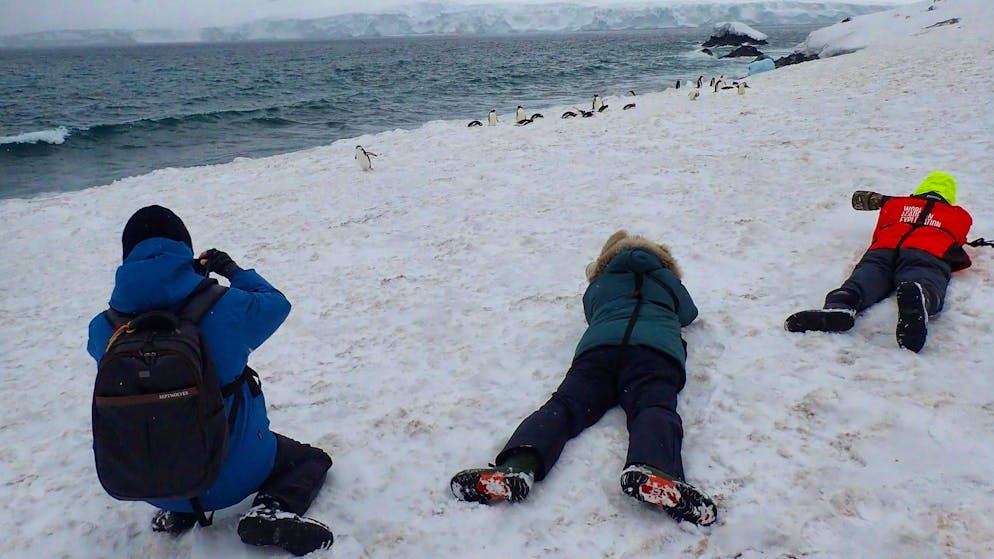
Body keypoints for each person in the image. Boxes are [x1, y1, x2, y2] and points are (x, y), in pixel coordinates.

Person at [87, 205, 334, 556]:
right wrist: (226, 270)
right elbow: (277, 303)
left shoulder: (104, 328)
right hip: (231, 476)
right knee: (311, 459)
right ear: (184, 249)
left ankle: (178, 512)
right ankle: (272, 507)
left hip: (149, 484)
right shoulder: (225, 307)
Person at [450, 230, 717, 526]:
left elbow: (592, 313)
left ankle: (517, 466)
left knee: (564, 406)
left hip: (598, 352)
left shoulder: (600, 284)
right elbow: (688, 314)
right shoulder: (668, 282)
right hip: (653, 354)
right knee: (653, 407)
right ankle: (653, 468)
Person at [784, 171, 973, 352]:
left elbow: (869, 205)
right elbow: (958, 238)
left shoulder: (896, 204)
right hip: (927, 251)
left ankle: (841, 306)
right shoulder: (960, 216)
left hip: (883, 249)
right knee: (925, 277)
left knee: (864, 279)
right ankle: (921, 296)